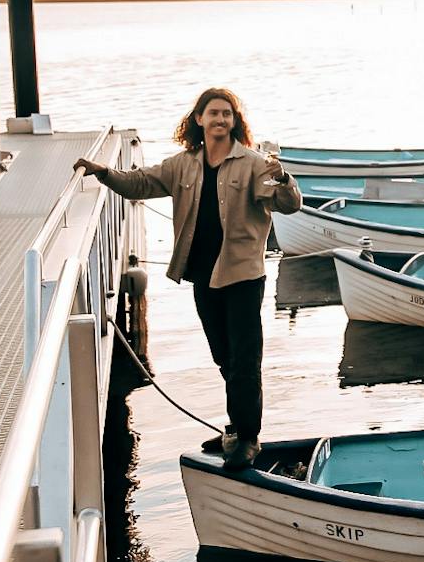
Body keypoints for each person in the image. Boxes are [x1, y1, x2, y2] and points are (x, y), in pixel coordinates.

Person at [75, 87, 301, 470]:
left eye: (227, 114)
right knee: (224, 358)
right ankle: (237, 426)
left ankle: (247, 438)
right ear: (199, 119)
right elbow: (139, 183)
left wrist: (284, 179)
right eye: (213, 113)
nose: (220, 120)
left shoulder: (253, 163)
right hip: (203, 275)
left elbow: (289, 205)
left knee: (245, 360)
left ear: (235, 121)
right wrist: (102, 173)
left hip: (243, 274)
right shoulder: (183, 164)